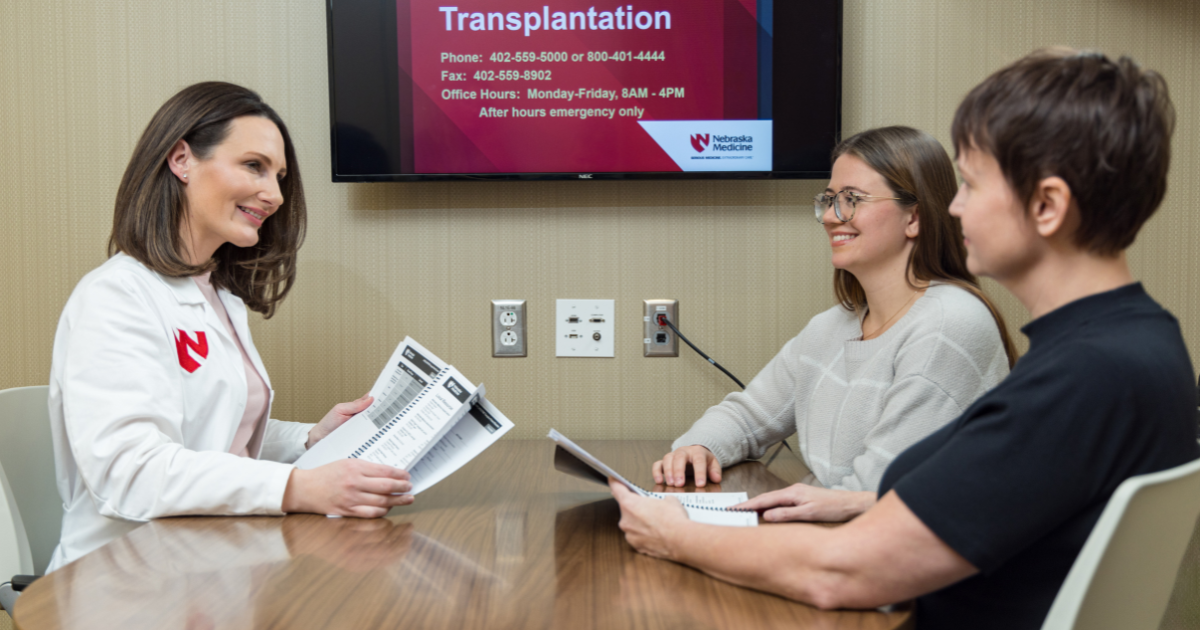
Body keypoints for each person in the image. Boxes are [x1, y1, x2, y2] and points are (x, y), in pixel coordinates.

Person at [611, 48, 1200, 629]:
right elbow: (1013, 503)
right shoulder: (1134, 346)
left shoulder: (1081, 378)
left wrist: (674, 535)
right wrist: (860, 501)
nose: (956, 207)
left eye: (969, 184)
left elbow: (847, 573)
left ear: (1047, 205)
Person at [47, 82, 412, 571]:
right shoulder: (115, 296)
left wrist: (308, 440)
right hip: (123, 577)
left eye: (279, 176)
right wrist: (297, 487)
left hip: (204, 559)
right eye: (254, 166)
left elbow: (210, 427)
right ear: (181, 159)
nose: (276, 195)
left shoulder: (216, 293)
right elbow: (128, 471)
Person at [654, 126, 1016, 523]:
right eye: (828, 200)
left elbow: (876, 495)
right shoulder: (832, 326)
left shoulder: (949, 326)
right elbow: (747, 415)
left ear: (914, 217)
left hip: (894, 562)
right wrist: (699, 448)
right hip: (836, 542)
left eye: (851, 200)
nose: (829, 216)